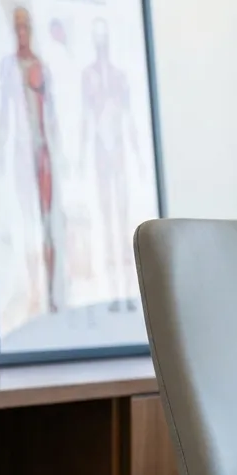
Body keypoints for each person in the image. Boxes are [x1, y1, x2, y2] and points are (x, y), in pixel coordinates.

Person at [0, 6, 65, 315]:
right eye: (17, 28)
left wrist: (58, 152)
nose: (21, 33)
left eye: (25, 27)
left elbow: (51, 115)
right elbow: (4, 113)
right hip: (21, 154)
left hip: (43, 153)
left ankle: (50, 294)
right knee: (27, 223)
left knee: (48, 224)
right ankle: (33, 293)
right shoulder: (8, 67)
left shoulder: (42, 68)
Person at [80, 18, 148, 311]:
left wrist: (139, 158)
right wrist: (81, 157)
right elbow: (85, 119)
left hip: (118, 154)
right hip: (100, 154)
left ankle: (126, 291)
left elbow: (130, 119)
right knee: (107, 222)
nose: (102, 45)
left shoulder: (120, 77)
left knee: (123, 223)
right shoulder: (88, 76)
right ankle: (112, 293)